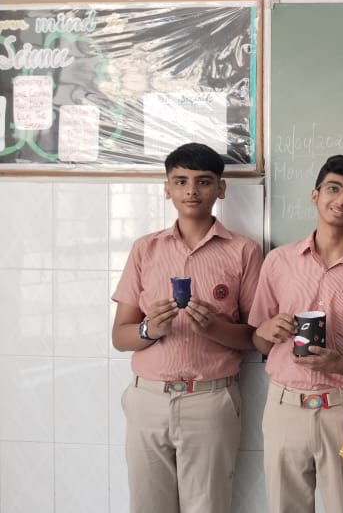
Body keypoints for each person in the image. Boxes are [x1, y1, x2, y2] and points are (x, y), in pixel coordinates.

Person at [110, 142, 263, 513]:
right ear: (167, 188)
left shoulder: (244, 250)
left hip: (210, 399)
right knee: (148, 505)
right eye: (180, 181)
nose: (191, 190)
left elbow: (255, 337)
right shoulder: (145, 249)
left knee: (208, 505)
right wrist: (149, 330)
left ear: (221, 188)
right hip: (148, 398)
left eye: (203, 181)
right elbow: (120, 336)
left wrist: (213, 328)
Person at [248, 155, 343, 513]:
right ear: (315, 195)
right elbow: (258, 341)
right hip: (284, 407)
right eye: (332, 189)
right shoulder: (279, 261)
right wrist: (266, 330)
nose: (341, 200)